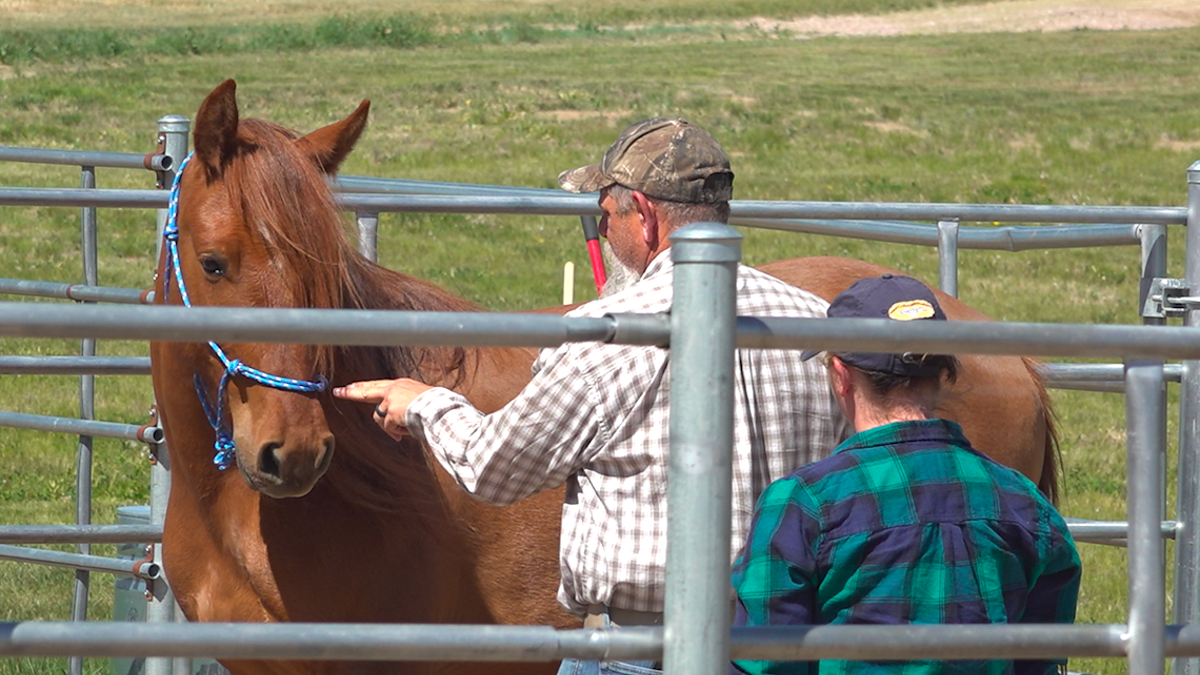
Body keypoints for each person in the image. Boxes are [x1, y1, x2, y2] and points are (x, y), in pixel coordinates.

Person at [333, 117, 849, 675]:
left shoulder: (603, 334)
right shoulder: (817, 324)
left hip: (644, 649)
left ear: (645, 217)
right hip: (782, 645)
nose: (603, 229)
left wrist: (425, 405)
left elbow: (495, 468)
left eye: (606, 211)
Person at [730, 274, 1081, 675]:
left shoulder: (804, 504)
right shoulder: (1025, 505)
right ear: (943, 374)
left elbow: (761, 662)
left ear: (841, 375)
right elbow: (1038, 659)